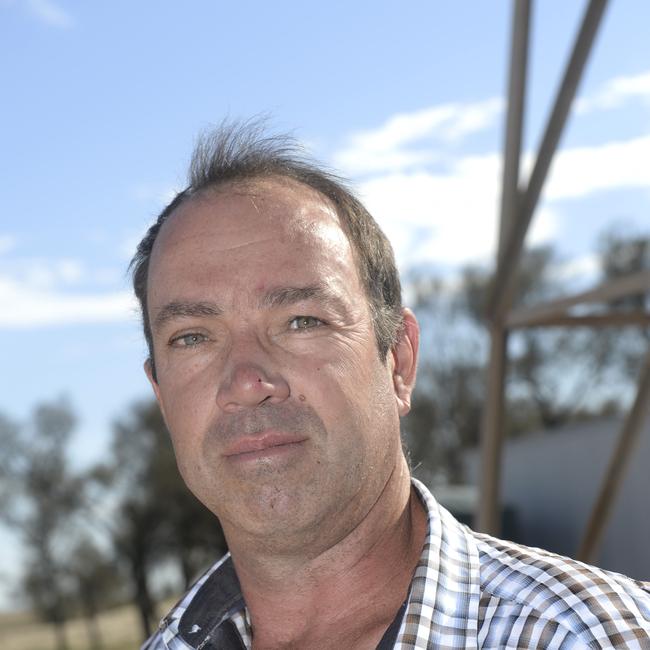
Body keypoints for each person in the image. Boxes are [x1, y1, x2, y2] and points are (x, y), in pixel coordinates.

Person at [132, 123, 650, 649]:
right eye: (192, 337)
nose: (246, 382)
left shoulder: (591, 636)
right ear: (163, 398)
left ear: (399, 361)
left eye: (301, 321)